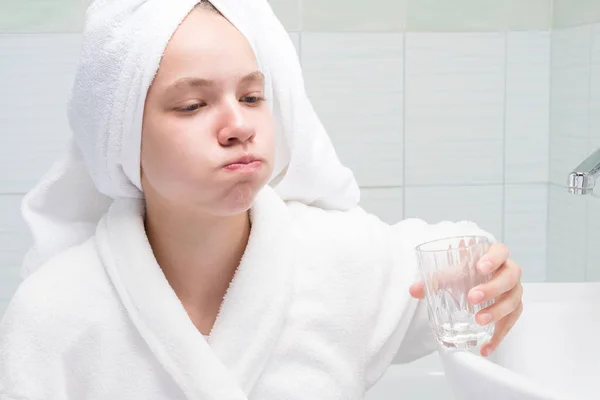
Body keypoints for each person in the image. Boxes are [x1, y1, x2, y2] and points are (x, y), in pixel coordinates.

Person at [0, 1, 523, 399]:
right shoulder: (55, 313)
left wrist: (489, 275)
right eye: (191, 105)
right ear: (121, 142)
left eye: (252, 97)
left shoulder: (336, 259)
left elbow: (455, 261)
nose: (238, 125)